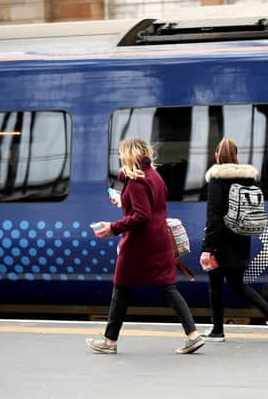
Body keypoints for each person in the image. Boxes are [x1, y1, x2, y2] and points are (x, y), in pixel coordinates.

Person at [85, 137, 205, 355]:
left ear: (129, 154)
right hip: (159, 240)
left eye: (121, 153)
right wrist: (124, 202)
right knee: (168, 287)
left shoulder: (137, 180)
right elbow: (151, 208)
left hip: (140, 244)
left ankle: (109, 341)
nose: (120, 157)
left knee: (121, 288)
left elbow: (141, 216)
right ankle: (193, 335)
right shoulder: (154, 176)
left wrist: (113, 227)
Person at [200, 137, 268, 342]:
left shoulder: (217, 180)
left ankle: (217, 330)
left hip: (220, 242)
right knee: (237, 284)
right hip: (241, 239)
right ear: (235, 156)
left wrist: (208, 247)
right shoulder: (249, 179)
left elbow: (214, 217)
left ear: (218, 155)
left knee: (215, 284)